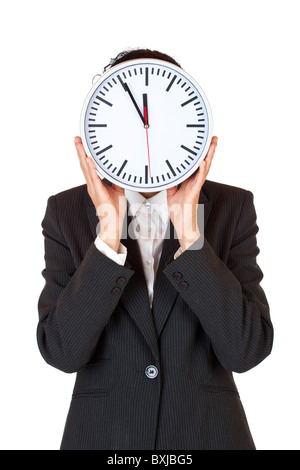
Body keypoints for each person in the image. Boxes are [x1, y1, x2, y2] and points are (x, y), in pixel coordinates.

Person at [37, 49, 273, 450]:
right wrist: (108, 239)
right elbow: (61, 351)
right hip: (104, 440)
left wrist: (192, 240)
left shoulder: (234, 207)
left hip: (207, 437)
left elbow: (246, 350)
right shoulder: (66, 212)